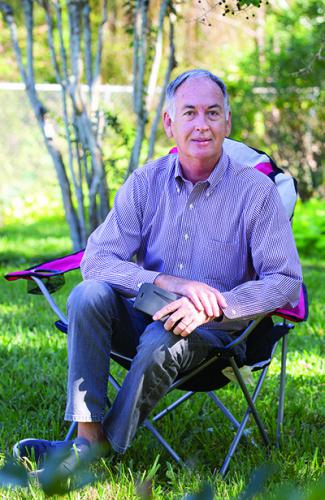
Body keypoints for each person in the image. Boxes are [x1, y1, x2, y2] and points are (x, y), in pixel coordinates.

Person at [14, 69, 302, 474]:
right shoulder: (145, 183)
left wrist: (216, 306)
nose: (201, 125)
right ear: (170, 123)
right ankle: (87, 437)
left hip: (213, 337)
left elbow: (286, 282)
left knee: (163, 335)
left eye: (212, 113)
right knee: (87, 294)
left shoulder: (255, 194)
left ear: (227, 122)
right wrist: (165, 282)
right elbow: (96, 260)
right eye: (189, 113)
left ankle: (90, 452)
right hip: (145, 311)